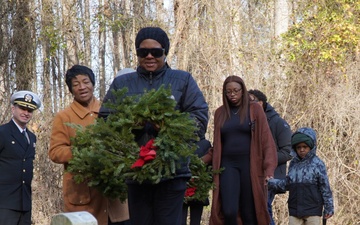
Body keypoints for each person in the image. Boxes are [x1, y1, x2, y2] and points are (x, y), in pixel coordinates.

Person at [99, 26, 209, 225]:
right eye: (143, 52)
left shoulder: (183, 80)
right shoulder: (122, 83)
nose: (149, 56)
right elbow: (105, 121)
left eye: (156, 52)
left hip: (173, 172)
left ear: (165, 53)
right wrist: (132, 124)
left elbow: (199, 119)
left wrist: (167, 126)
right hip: (135, 174)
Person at [49, 65, 130, 225]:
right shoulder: (64, 117)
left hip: (113, 193)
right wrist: (84, 152)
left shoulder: (109, 110)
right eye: (76, 84)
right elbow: (55, 152)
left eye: (86, 82)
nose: (82, 87)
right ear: (71, 89)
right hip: (83, 195)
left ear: (93, 84)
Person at [202, 75, 277, 225]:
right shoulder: (220, 113)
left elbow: (266, 141)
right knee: (229, 210)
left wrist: (269, 170)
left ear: (243, 90)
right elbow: (217, 146)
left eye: (236, 91)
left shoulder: (254, 109)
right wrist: (202, 161)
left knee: (249, 211)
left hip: (250, 165)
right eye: (228, 92)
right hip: (227, 165)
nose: (232, 95)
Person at [268, 127, 334, 225]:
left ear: (311, 147)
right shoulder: (293, 164)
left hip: (313, 211)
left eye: (305, 147)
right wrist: (271, 182)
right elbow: (287, 183)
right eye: (298, 147)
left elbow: (325, 187)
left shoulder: (318, 164)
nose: (302, 150)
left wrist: (329, 207)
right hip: (295, 211)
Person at [248, 89, 293, 225]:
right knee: (253, 211)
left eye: (251, 101)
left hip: (271, 177)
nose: (248, 105)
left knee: (264, 209)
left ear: (260, 103)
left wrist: (265, 160)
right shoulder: (247, 122)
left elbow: (288, 152)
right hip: (252, 174)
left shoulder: (278, 123)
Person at [0, 90, 41, 225]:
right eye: (22, 108)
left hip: (24, 202)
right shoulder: (3, 132)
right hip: (5, 202)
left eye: (29, 110)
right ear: (13, 108)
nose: (26, 113)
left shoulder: (31, 137)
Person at [181, 138, 211, 225]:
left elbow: (210, 169)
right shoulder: (205, 144)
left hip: (198, 187)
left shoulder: (206, 144)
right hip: (189, 187)